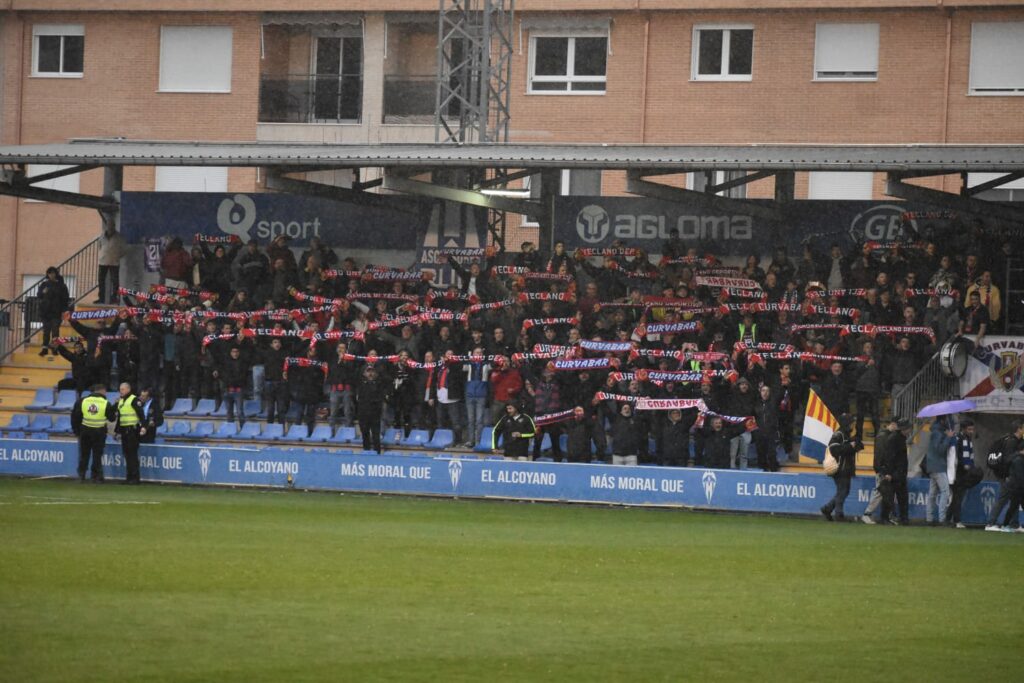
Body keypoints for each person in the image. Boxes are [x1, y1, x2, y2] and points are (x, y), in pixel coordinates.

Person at [70, 384, 115, 482]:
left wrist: (77, 431)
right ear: (103, 391)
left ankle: (81, 475)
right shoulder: (105, 403)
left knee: (84, 454)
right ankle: (96, 476)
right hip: (99, 432)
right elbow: (112, 418)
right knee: (97, 455)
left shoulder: (83, 401)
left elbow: (75, 416)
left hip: (85, 431)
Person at [985, 420, 1024, 532]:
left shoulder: (1017, 440)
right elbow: (1007, 460)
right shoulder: (1011, 442)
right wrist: (1019, 454)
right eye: (1022, 428)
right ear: (1018, 429)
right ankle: (990, 523)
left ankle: (1014, 524)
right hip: (1006, 476)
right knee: (1003, 498)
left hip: (1012, 476)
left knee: (1014, 498)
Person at [821, 414, 858, 522]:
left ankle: (827, 508)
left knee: (843, 491)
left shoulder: (844, 434)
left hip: (844, 468)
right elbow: (834, 449)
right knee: (843, 491)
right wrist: (850, 446)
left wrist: (855, 445)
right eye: (852, 422)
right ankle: (839, 514)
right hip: (840, 468)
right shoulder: (839, 434)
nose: (853, 424)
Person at [947, 419, 981, 528]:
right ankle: (956, 521)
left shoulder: (967, 439)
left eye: (972, 429)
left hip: (964, 472)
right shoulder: (958, 439)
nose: (971, 431)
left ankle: (948, 519)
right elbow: (955, 457)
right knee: (958, 497)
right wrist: (965, 466)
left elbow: (969, 456)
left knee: (957, 497)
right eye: (969, 429)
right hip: (959, 473)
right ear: (963, 429)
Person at [878, 418, 911, 525]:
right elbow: (889, 457)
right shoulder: (895, 439)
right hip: (895, 473)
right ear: (904, 429)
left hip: (898, 472)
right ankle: (887, 518)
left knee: (898, 497)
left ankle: (899, 518)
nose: (910, 430)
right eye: (908, 428)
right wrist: (888, 473)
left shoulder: (898, 438)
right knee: (892, 496)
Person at [924, 417, 956, 526]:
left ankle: (929, 518)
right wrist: (948, 438)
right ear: (943, 421)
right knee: (945, 491)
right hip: (938, 466)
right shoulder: (938, 433)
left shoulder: (935, 431)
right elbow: (940, 450)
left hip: (932, 465)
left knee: (932, 493)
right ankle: (942, 519)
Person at [114, 382, 145, 484]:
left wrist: (143, 427)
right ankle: (129, 477)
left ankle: (135, 478)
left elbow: (141, 415)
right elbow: (120, 418)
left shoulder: (134, 399)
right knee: (127, 454)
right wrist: (117, 431)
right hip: (124, 431)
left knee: (132, 455)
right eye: (120, 389)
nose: (120, 391)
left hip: (132, 430)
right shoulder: (121, 401)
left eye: (122, 389)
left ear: (128, 389)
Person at [36, 267, 69, 356]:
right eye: (50, 273)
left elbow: (65, 299)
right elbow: (39, 295)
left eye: (53, 273)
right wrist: (43, 292)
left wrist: (64, 311)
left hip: (56, 312)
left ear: (56, 274)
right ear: (48, 274)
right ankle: (45, 349)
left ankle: (54, 348)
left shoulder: (62, 286)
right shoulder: (44, 284)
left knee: (55, 331)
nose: (52, 275)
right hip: (45, 312)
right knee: (46, 331)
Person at [356, 365, 389, 453]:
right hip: (363, 414)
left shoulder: (379, 385)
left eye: (372, 371)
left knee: (375, 436)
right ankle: (366, 452)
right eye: (368, 371)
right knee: (365, 435)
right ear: (364, 373)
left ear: (376, 373)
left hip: (375, 414)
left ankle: (377, 454)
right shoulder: (360, 384)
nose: (370, 373)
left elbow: (380, 398)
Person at [97, 226, 127, 304]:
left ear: (113, 227)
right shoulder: (102, 236)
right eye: (108, 226)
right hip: (103, 261)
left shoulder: (119, 237)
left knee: (115, 281)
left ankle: (114, 298)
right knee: (101, 280)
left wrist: (117, 256)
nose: (110, 229)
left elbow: (124, 249)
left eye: (111, 226)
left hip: (114, 262)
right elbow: (99, 245)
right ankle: (101, 298)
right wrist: (101, 255)